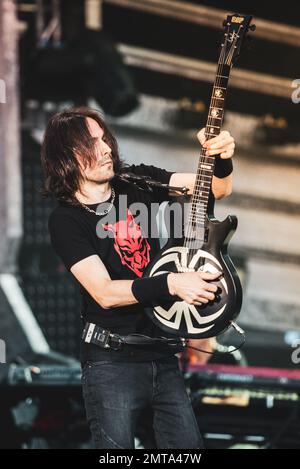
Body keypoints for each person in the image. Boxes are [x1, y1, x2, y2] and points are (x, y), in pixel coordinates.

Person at [42, 107, 235, 449]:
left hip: (162, 354)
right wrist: (173, 283)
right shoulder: (66, 220)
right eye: (92, 143)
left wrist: (220, 159)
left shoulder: (135, 181)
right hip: (111, 362)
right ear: (67, 157)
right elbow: (104, 292)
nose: (105, 150)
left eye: (105, 139)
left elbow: (214, 190)